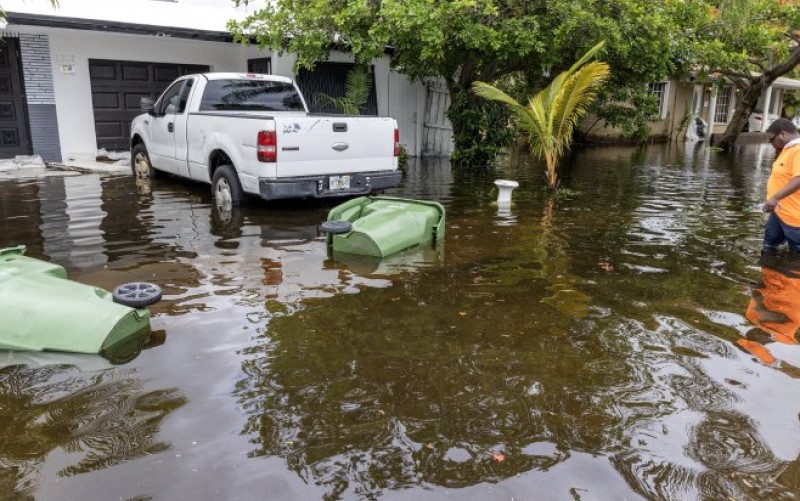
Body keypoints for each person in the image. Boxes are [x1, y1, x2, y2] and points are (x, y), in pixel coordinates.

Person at [762, 118, 800, 255]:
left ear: (783, 134)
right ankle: (771, 274)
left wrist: (775, 197)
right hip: (779, 212)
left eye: (772, 139)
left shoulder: (798, 150)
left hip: (795, 218)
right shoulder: (786, 150)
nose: (770, 143)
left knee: (796, 256)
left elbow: (799, 179)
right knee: (769, 247)